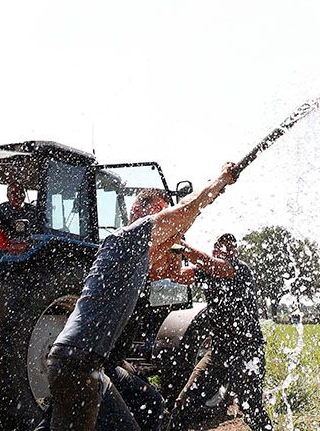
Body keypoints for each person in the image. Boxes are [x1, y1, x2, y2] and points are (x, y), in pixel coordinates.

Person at [41, 164, 237, 431]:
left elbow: (174, 247)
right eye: (160, 212)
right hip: (78, 364)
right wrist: (217, 183)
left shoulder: (137, 259)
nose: (164, 220)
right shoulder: (124, 239)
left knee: (151, 407)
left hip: (93, 366)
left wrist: (206, 206)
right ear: (137, 211)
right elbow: (182, 213)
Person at [169, 234, 273, 431]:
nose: (224, 250)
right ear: (214, 249)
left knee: (251, 409)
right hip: (219, 351)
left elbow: (211, 264)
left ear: (235, 252)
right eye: (219, 246)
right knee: (184, 404)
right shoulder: (207, 272)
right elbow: (177, 276)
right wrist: (173, 252)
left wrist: (179, 244)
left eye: (229, 247)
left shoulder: (240, 269)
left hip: (246, 351)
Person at [0, 181, 43, 256]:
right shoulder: (1, 210)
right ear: (8, 196)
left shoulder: (33, 211)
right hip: (6, 253)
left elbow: (44, 230)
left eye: (20, 192)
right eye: (13, 193)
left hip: (31, 252)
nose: (18, 195)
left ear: (24, 195)